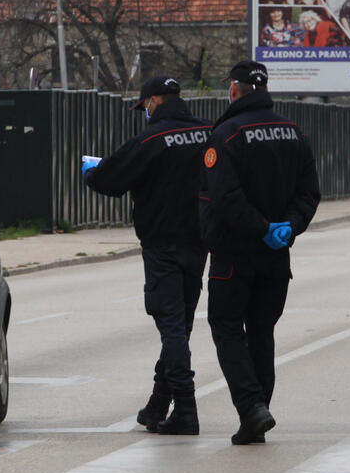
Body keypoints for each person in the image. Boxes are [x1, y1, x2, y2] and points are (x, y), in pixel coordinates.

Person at [83, 75, 212, 435]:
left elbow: (110, 181)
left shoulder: (150, 139)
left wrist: (91, 172)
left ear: (153, 101)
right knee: (180, 327)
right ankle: (157, 405)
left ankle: (186, 409)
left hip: (163, 245)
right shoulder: (208, 132)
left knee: (171, 328)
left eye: (144, 107)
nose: (145, 112)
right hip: (199, 242)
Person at [199, 60, 320, 445]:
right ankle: (257, 414)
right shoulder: (293, 132)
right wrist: (288, 226)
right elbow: (309, 193)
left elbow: (225, 198)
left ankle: (252, 407)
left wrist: (259, 229)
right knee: (262, 333)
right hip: (276, 255)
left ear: (235, 89)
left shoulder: (227, 135)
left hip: (235, 254)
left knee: (228, 328)